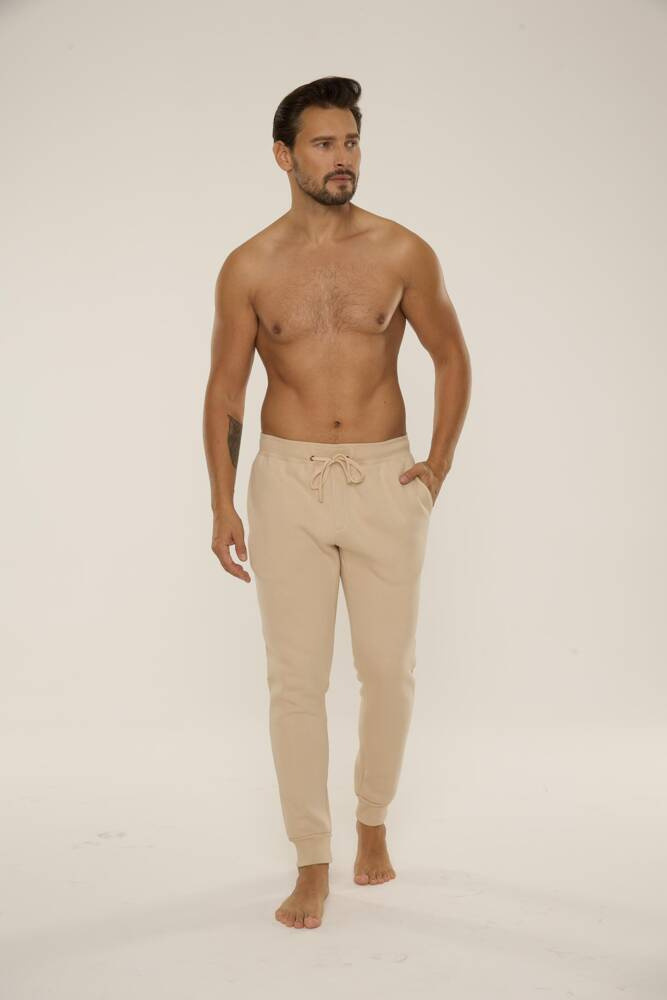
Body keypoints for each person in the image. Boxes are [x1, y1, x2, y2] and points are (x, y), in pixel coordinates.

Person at [202, 76, 471, 930]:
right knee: (295, 681)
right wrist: (221, 503)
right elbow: (226, 390)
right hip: (286, 482)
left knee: (388, 671)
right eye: (323, 145)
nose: (341, 158)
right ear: (284, 157)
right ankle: (311, 860)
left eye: (350, 142)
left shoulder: (401, 252)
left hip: (385, 479)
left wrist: (437, 463)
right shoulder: (249, 266)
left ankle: (373, 820)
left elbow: (451, 354)